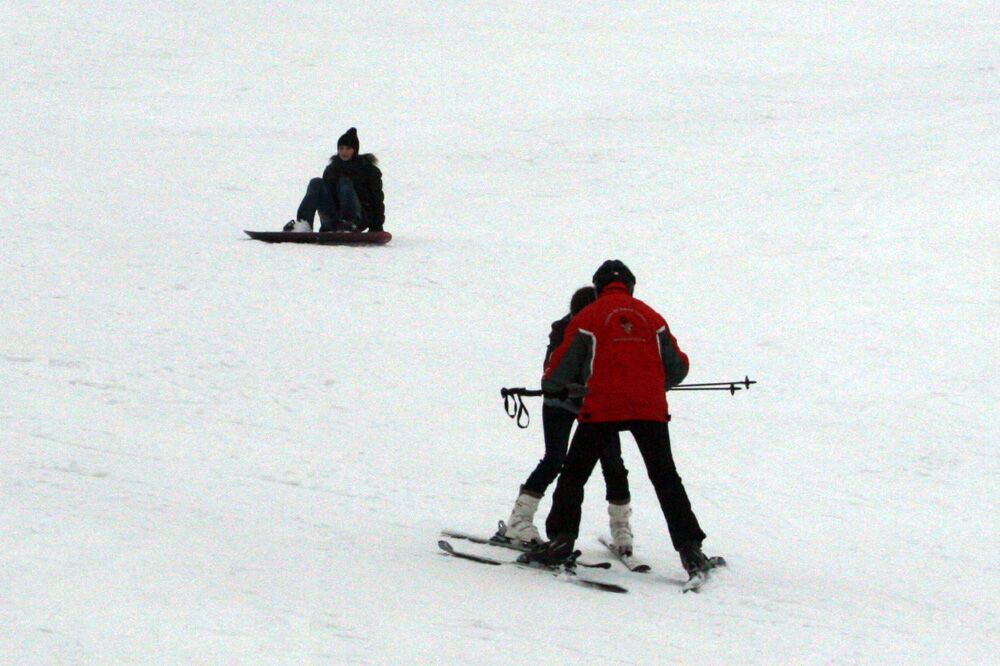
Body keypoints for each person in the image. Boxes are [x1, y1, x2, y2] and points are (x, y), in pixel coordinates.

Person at [528, 260, 715, 577]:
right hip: (649, 408)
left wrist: (559, 389)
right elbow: (679, 367)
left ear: (599, 288)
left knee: (574, 474)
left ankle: (561, 539)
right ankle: (691, 550)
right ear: (630, 286)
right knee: (665, 477)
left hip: (601, 407)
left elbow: (557, 371)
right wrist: (653, 385)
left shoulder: (588, 317)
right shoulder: (651, 317)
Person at [503, 287, 636, 555]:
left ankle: (621, 527)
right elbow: (552, 367)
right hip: (560, 404)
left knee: (613, 462)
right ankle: (519, 520)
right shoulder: (562, 329)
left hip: (597, 405)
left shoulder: (607, 328)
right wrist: (569, 386)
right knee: (555, 458)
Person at [285, 127, 385, 233]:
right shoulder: (332, 169)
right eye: (341, 148)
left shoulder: (368, 169)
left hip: (359, 219)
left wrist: (376, 226)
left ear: (355, 150)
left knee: (344, 182)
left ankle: (348, 222)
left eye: (348, 148)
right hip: (333, 218)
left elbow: (377, 199)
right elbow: (325, 196)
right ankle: (303, 224)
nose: (344, 152)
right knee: (316, 182)